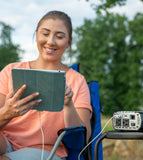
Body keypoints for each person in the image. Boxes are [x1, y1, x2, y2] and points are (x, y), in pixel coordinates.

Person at [0, 11, 92, 160]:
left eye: (60, 36)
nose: (51, 41)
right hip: (6, 142)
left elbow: (83, 139)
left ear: (68, 42)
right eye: (45, 33)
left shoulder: (76, 80)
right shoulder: (10, 71)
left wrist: (68, 105)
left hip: (47, 150)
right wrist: (7, 113)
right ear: (36, 35)